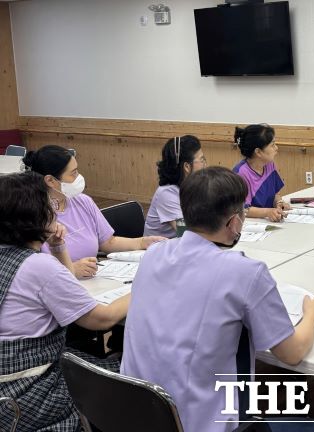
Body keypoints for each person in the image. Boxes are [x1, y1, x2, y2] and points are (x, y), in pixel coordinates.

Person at [121, 167, 314, 432]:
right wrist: (313, 312)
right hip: (199, 423)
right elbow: (292, 354)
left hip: (135, 415)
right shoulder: (245, 273)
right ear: (234, 223)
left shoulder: (154, 255)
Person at [0, 172, 129, 432]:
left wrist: (58, 247)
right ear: (35, 214)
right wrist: (143, 288)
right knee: (126, 382)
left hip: (10, 379)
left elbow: (66, 290)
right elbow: (99, 319)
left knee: (110, 362)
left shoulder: (12, 256)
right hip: (27, 390)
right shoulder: (37, 266)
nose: (56, 210)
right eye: (50, 205)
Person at [23, 145, 166, 279]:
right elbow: (29, 270)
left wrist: (142, 242)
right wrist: (71, 269)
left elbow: (107, 242)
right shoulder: (32, 215)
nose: (79, 177)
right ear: (50, 181)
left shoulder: (83, 201)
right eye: (73, 174)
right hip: (57, 286)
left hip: (92, 281)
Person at [144, 135, 207, 238]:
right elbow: (185, 233)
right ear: (187, 167)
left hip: (177, 247)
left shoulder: (192, 185)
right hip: (157, 250)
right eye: (202, 159)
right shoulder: (166, 194)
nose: (205, 164)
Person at [233, 124, 291, 222]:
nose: (276, 148)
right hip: (249, 226)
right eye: (272, 145)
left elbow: (274, 195)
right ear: (258, 152)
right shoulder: (241, 173)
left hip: (268, 222)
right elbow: (243, 209)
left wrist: (279, 203)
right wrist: (268, 212)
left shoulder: (269, 165)